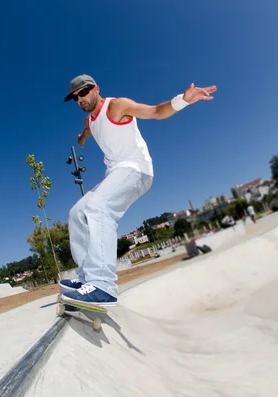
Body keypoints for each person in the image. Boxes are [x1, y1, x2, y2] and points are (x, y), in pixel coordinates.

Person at [59, 74, 217, 306]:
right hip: (115, 175)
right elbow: (89, 132)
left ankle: (103, 286)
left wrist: (183, 100)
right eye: (75, 98)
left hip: (137, 170)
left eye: (83, 93)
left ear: (96, 89)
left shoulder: (117, 106)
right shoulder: (89, 122)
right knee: (76, 214)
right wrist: (82, 139)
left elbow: (154, 111)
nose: (80, 99)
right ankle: (87, 279)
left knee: (98, 207)